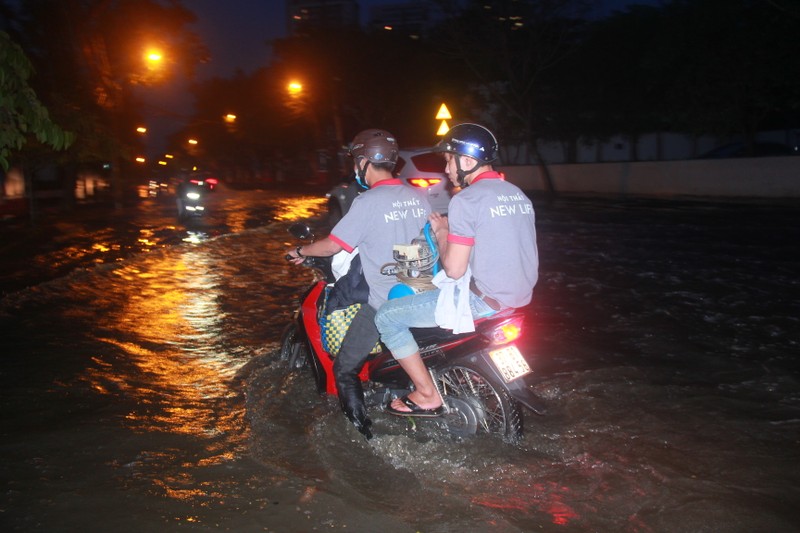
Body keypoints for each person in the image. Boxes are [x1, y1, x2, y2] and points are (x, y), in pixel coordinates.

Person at [375, 123, 539, 417]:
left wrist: (442, 231)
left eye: (449, 160)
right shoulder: (516, 194)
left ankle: (426, 394)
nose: (446, 169)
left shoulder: (467, 199)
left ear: (467, 161)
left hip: (484, 300)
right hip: (518, 297)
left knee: (387, 317)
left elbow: (453, 269)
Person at [286, 129, 431, 437]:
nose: (355, 168)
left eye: (356, 162)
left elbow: (332, 246)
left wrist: (299, 251)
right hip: (420, 290)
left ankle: (361, 436)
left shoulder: (368, 202)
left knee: (344, 368)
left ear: (364, 162)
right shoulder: (416, 196)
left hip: (385, 302)